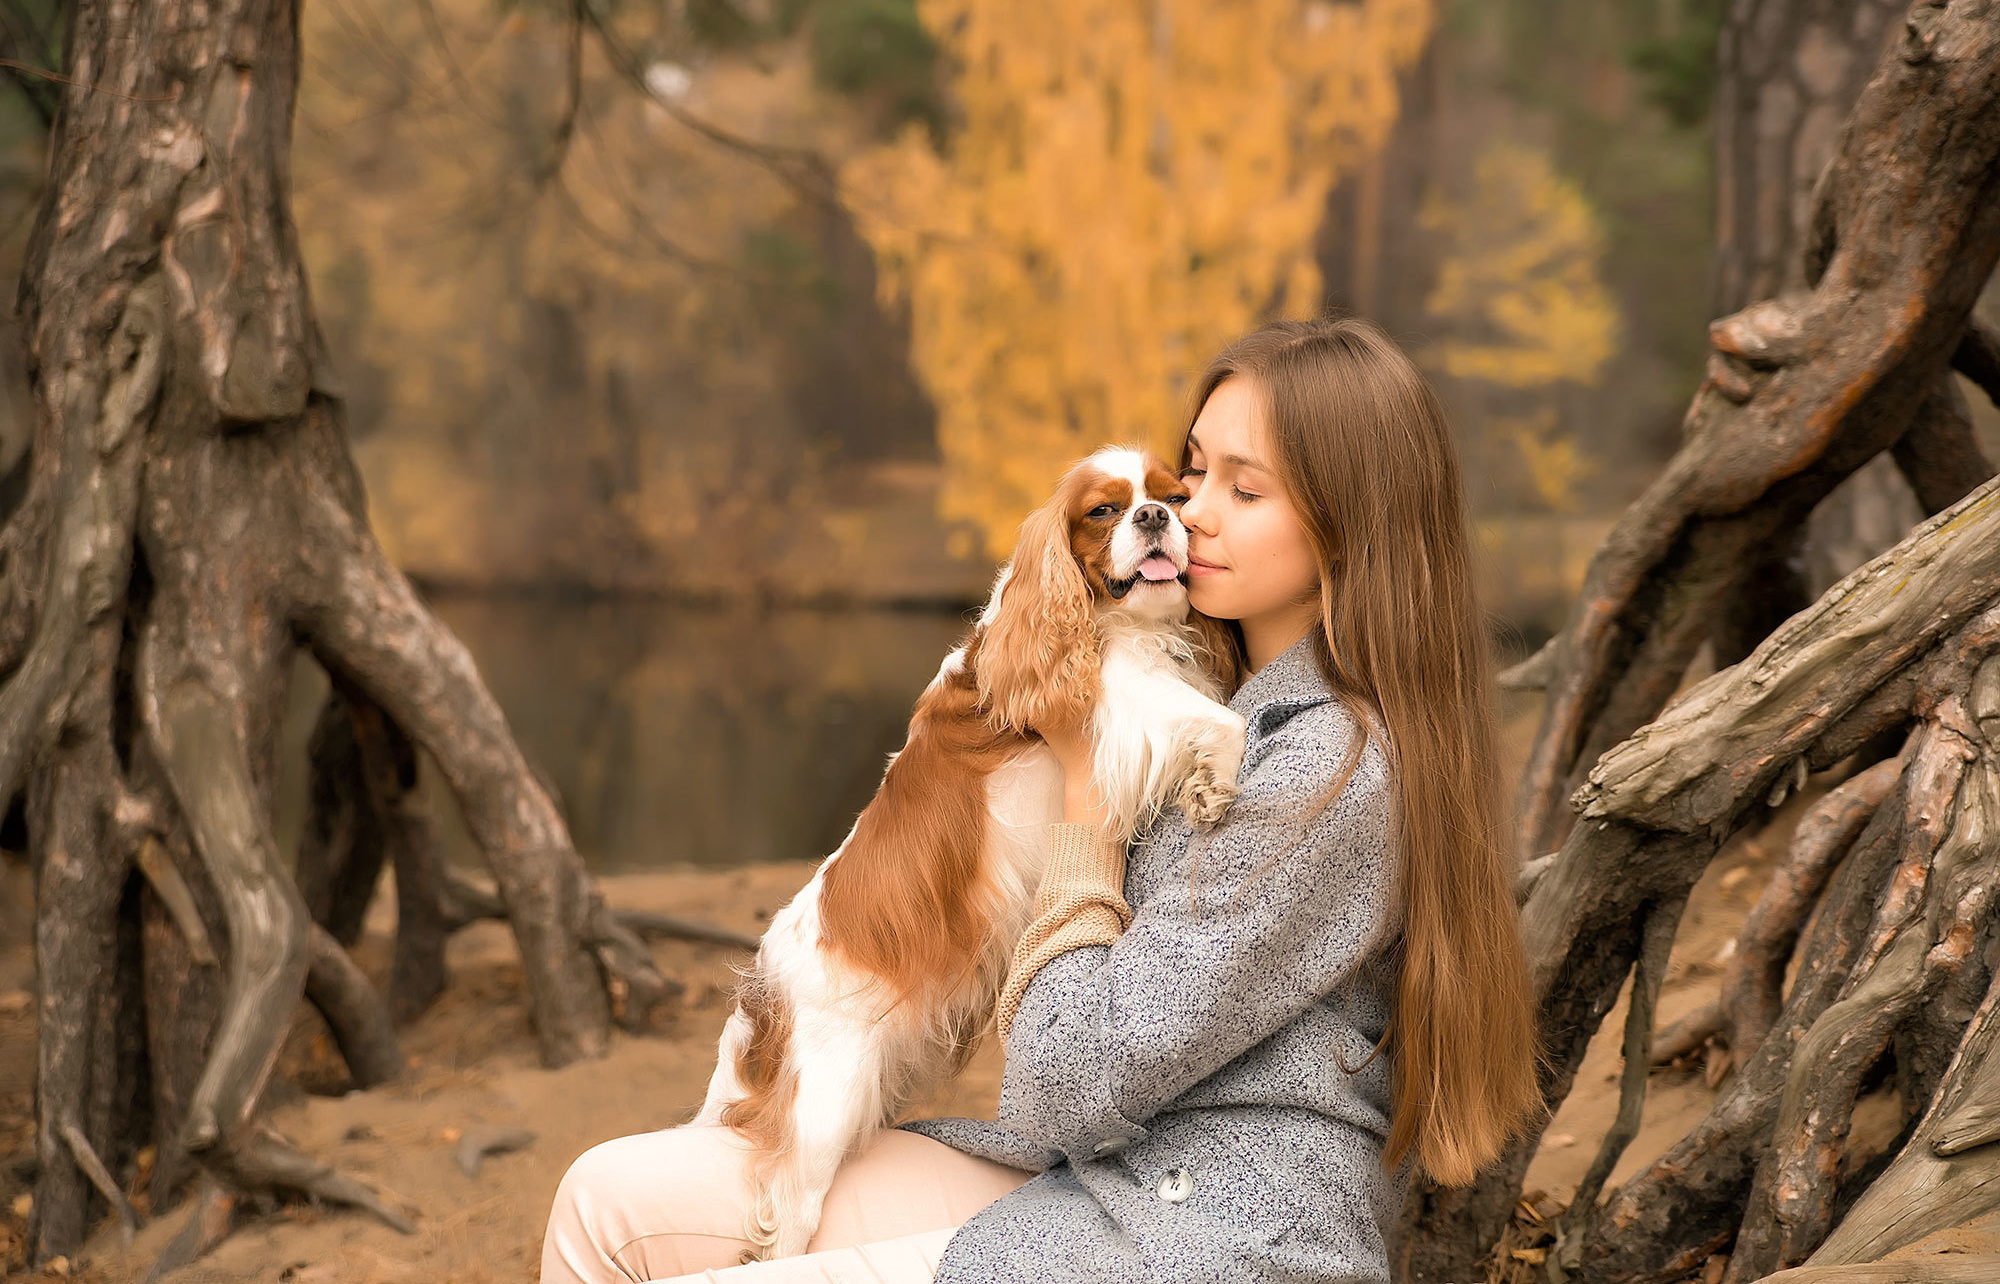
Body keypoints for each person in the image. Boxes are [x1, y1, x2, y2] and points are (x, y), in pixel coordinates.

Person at [540, 315, 1548, 1283]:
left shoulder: (1324, 769)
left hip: (1211, 1234)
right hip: (1103, 1178)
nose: (1188, 509)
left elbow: (1067, 1084)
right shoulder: (1191, 689)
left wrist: (1082, 810)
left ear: (1348, 526)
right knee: (603, 1199)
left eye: (1243, 490)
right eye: (1192, 469)